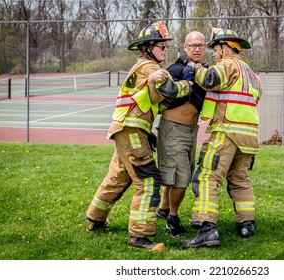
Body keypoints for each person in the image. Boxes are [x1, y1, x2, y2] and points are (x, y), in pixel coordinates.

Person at [85, 21, 194, 252]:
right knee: (148, 181)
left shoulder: (141, 67)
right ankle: (140, 236)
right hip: (131, 130)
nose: (165, 50)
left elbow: (150, 101)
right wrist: (188, 83)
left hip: (128, 129)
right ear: (148, 47)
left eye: (166, 46)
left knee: (118, 177)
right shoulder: (151, 68)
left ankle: (95, 218)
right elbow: (170, 91)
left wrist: (147, 132)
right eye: (161, 46)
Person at [181, 28, 262, 249]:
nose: (213, 55)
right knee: (240, 179)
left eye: (215, 50)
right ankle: (247, 223)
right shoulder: (251, 74)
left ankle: (207, 228)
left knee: (207, 177)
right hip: (249, 137)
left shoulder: (228, 64)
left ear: (226, 49)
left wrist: (193, 66)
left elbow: (210, 79)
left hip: (226, 131)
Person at [155, 31, 208, 237]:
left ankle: (163, 208)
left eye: (201, 45)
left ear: (206, 48)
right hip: (173, 129)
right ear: (185, 47)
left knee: (178, 172)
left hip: (192, 130)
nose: (196, 49)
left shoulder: (205, 71)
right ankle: (173, 218)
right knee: (181, 177)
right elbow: (162, 92)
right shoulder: (175, 70)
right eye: (192, 45)